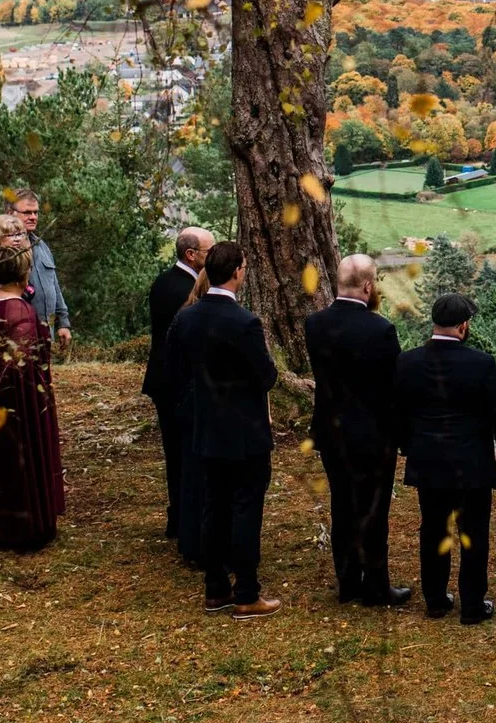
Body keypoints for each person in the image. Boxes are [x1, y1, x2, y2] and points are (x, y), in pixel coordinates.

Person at [170, 241, 280, 617]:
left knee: (213, 508)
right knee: (246, 509)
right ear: (236, 272)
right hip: (245, 432)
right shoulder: (245, 323)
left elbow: (177, 369)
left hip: (206, 428)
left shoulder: (186, 318)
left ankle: (215, 588)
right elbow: (266, 376)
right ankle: (247, 592)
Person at [394, 292, 496, 625]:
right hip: (472, 466)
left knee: (433, 530)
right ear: (463, 326)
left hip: (428, 463)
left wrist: (408, 448)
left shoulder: (408, 361)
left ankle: (435, 599)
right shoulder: (481, 364)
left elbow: (399, 414)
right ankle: (473, 606)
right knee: (474, 533)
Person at [305, 254, 411, 607]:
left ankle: (348, 581)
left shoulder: (314, 324)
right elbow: (395, 388)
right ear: (368, 286)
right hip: (372, 434)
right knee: (373, 510)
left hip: (331, 431)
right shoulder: (380, 330)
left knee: (342, 504)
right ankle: (377, 586)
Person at [0, 242, 66, 550]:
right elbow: (21, 360)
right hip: (18, 399)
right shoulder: (19, 309)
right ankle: (23, 528)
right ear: (24, 273)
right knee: (18, 460)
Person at [143, 226, 211, 559]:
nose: (211, 258)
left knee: (176, 453)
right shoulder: (184, 292)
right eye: (208, 252)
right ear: (191, 255)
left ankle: (178, 516)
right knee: (186, 455)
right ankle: (187, 522)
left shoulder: (164, 280)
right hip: (176, 385)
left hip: (163, 380)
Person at [10, 190, 71, 357]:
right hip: (14, 340)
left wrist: (63, 323)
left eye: (35, 212)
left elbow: (54, 287)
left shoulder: (42, 246)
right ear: (10, 213)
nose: (33, 217)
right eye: (27, 212)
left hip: (45, 337)